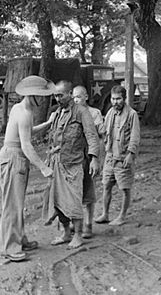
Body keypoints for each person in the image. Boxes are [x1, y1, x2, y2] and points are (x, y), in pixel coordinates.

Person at [0, 76, 56, 262]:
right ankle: (10, 248)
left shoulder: (22, 109)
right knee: (12, 205)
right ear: (33, 95)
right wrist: (44, 167)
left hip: (14, 157)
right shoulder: (24, 113)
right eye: (42, 94)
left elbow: (27, 131)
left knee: (17, 204)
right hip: (14, 158)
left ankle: (20, 239)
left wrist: (46, 124)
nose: (44, 98)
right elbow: (26, 145)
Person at [44, 80, 100, 249]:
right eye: (55, 95)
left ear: (69, 93)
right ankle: (66, 232)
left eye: (60, 95)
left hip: (75, 163)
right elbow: (54, 136)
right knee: (57, 200)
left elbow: (92, 136)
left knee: (74, 201)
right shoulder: (58, 112)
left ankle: (78, 235)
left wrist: (95, 158)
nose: (57, 98)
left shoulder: (81, 111)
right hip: (57, 163)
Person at [95, 85, 140, 226]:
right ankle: (105, 214)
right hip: (110, 157)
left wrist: (130, 154)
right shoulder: (110, 113)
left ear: (124, 99)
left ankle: (122, 216)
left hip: (123, 158)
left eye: (118, 99)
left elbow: (135, 136)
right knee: (106, 186)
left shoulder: (132, 115)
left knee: (125, 188)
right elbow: (104, 132)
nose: (115, 102)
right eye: (113, 99)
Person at [72, 85, 105, 239]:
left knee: (88, 193)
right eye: (74, 97)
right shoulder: (71, 114)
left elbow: (101, 138)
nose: (76, 99)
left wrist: (96, 159)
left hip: (88, 158)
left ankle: (88, 224)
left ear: (86, 96)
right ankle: (76, 223)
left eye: (78, 96)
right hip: (74, 159)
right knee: (74, 193)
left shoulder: (94, 113)